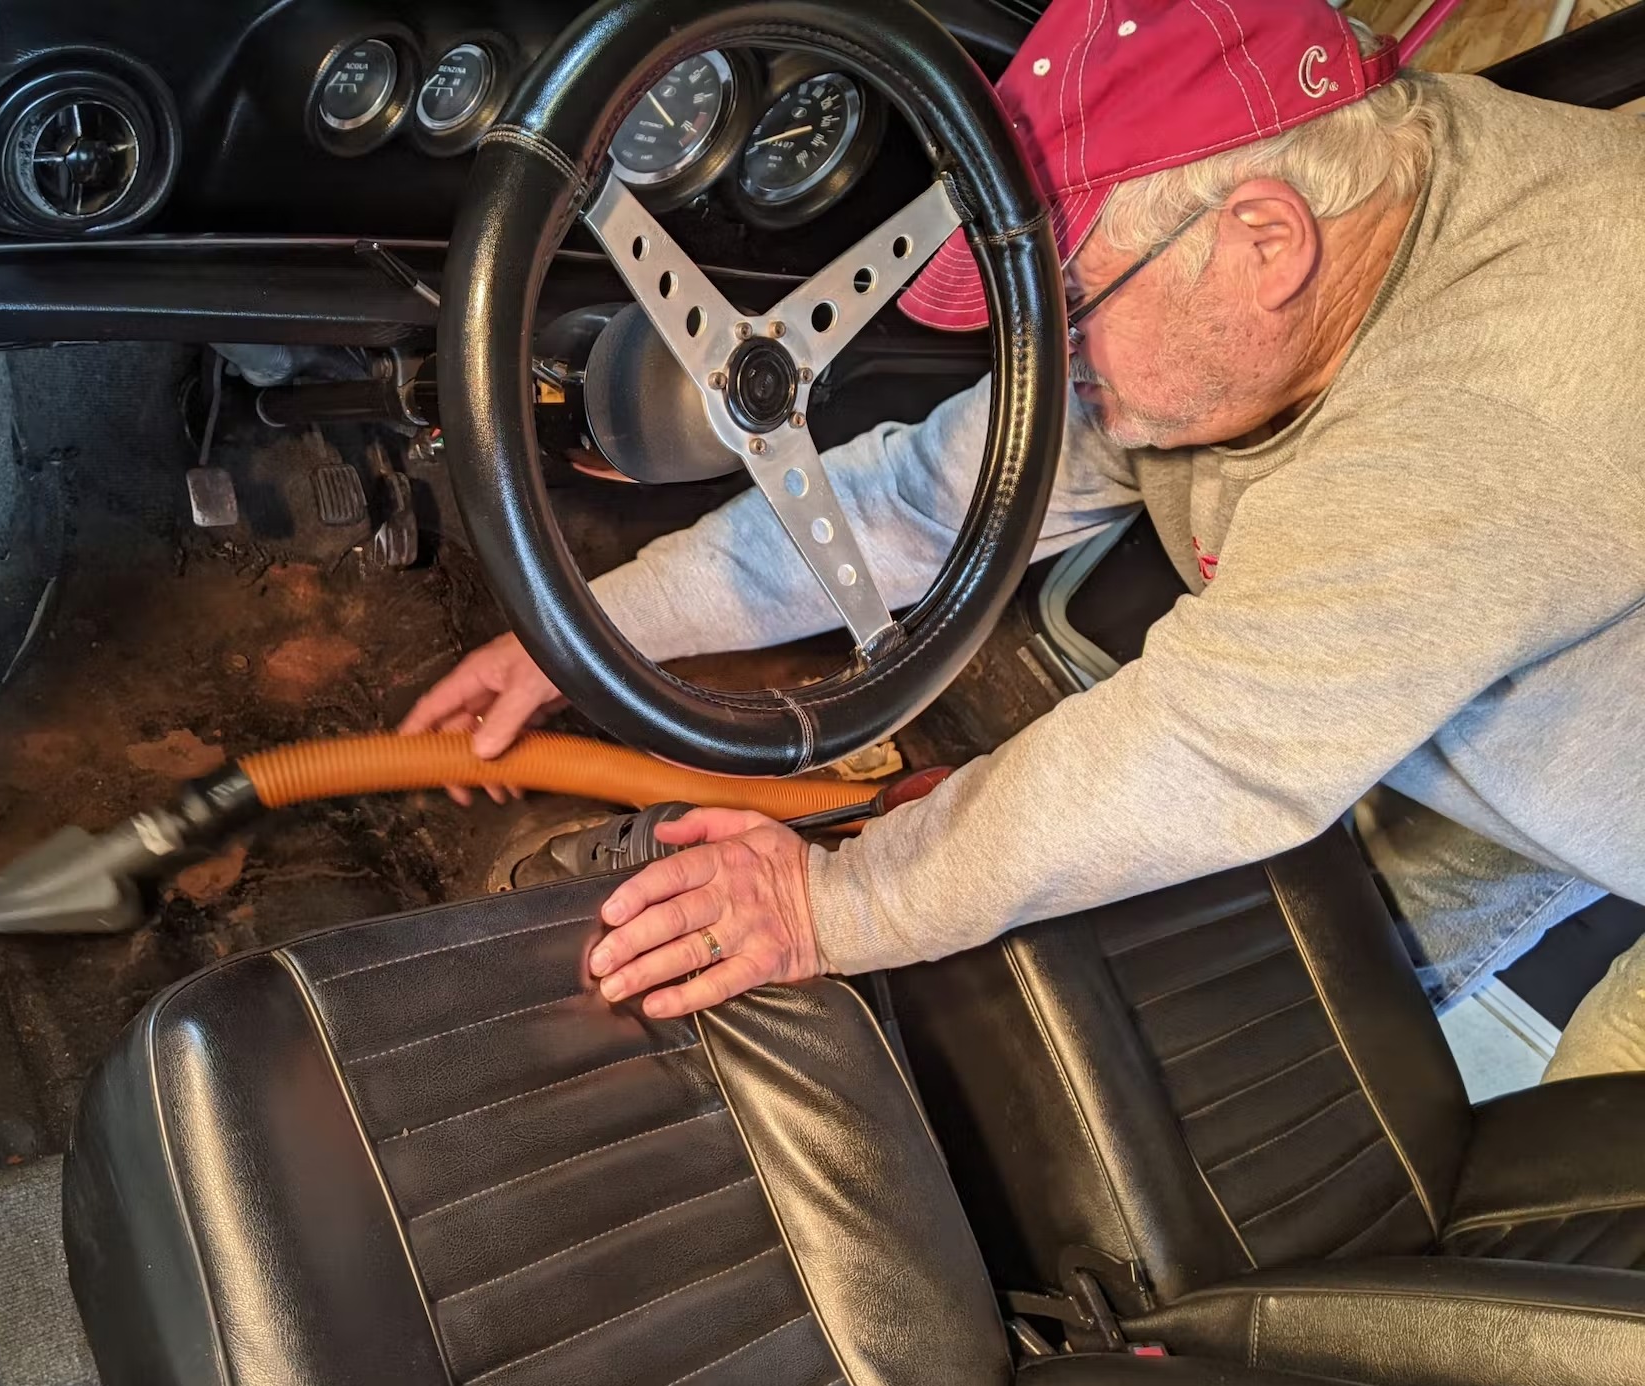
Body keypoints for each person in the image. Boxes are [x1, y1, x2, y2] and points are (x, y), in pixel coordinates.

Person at [403, 0, 1645, 1079]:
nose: (1053, 359)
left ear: (1263, 244)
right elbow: (919, 504)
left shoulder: (1487, 415)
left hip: (1568, 693)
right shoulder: (1272, 258)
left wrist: (828, 902)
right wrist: (590, 634)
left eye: (1075, 306)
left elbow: (1205, 754)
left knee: (1537, 1183)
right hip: (1499, 649)